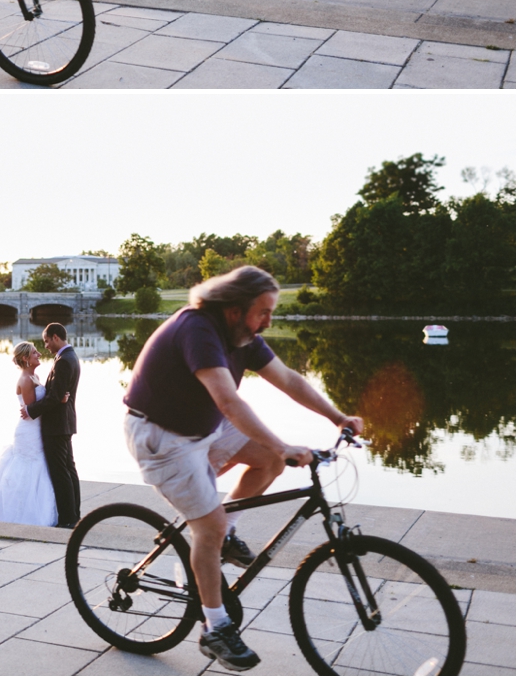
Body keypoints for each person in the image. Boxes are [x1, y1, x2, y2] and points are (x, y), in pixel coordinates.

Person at [123, 267, 364, 673]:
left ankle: (226, 534)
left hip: (202, 427)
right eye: (264, 311)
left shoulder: (242, 336)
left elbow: (288, 378)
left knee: (268, 463)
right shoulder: (197, 330)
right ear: (235, 310)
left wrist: (337, 417)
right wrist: (283, 444)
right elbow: (229, 403)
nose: (269, 320)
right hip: (162, 436)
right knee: (209, 527)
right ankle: (214, 626)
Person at [0, 341, 59, 527]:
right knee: (30, 468)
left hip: (36, 430)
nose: (38, 354)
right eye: (34, 353)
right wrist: (58, 401)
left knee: (38, 467)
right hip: (29, 432)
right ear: (25, 358)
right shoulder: (25, 380)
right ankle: (21, 513)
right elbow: (33, 411)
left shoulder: (35, 376)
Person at [20, 322, 81, 527]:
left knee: (60, 471)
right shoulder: (70, 356)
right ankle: (74, 514)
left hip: (56, 425)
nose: (45, 346)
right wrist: (58, 398)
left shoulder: (63, 361)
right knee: (69, 469)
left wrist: (30, 410)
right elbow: (57, 394)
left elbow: (55, 396)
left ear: (55, 337)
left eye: (46, 341)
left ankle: (67, 518)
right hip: (65, 422)